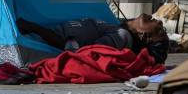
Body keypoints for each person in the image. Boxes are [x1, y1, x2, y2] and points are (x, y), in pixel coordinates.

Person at [17, 13, 169, 64]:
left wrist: (33, 28)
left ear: (145, 37)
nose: (160, 22)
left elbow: (79, 52)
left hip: (33, 44)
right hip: (32, 38)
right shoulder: (116, 27)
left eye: (160, 30)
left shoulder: (122, 37)